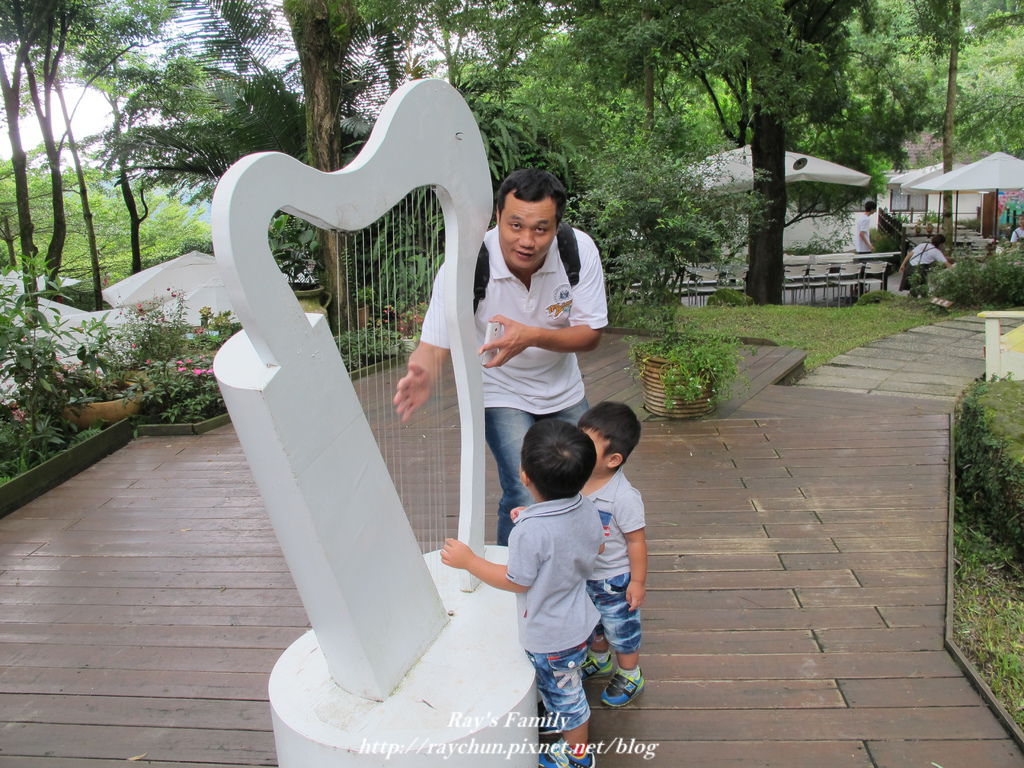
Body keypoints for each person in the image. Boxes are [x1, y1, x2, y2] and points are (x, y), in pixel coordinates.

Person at [394, 168, 608, 546]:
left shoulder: (578, 250)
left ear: (557, 226)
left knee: (584, 479)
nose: (526, 241)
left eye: (540, 229)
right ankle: (513, 573)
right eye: (515, 225)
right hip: (499, 387)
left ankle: (569, 565)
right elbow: (435, 339)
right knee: (524, 488)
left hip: (563, 387)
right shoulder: (468, 261)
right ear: (497, 216)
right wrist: (424, 372)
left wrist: (530, 336)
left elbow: (590, 334)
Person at [441, 419, 604, 768]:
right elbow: (592, 544)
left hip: (552, 637)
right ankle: (557, 706)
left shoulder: (529, 533)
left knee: (569, 701)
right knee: (563, 682)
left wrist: (470, 561)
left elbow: (517, 581)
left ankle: (577, 755)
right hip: (581, 618)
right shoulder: (588, 506)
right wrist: (532, 517)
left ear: (525, 477)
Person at [576, 402, 647, 708]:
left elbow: (636, 542)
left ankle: (630, 673)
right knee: (592, 624)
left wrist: (637, 582)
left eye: (586, 444)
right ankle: (600, 659)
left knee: (621, 628)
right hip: (583, 573)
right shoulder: (575, 480)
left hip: (614, 579)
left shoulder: (623, 497)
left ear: (613, 459)